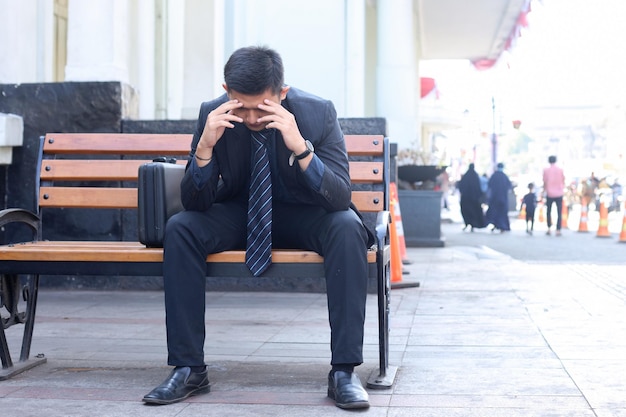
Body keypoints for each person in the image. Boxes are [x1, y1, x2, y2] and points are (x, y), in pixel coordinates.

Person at [142, 46, 373, 410]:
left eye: (260, 107)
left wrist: (301, 148)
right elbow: (195, 202)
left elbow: (339, 197)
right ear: (226, 90)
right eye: (240, 105)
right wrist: (204, 148)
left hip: (304, 213)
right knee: (182, 227)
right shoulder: (212, 113)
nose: (250, 117)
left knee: (346, 226)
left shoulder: (318, 112)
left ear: (281, 93)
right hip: (241, 211)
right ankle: (188, 369)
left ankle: (344, 371)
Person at [456, 163, 486, 231]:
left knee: (466, 211)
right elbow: (478, 187)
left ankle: (468, 223)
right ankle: (472, 225)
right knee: (474, 211)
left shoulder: (466, 176)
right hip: (474, 199)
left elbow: (461, 186)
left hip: (466, 198)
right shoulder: (475, 176)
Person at [485, 162, 512, 232]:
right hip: (503, 198)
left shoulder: (494, 176)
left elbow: (489, 185)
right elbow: (509, 186)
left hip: (494, 198)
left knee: (495, 212)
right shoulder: (504, 176)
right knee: (502, 213)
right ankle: (502, 226)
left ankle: (496, 225)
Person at [542, 155, 565, 236]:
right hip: (559, 193)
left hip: (549, 193)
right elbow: (563, 180)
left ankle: (549, 228)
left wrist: (543, 192)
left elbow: (544, 182)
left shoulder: (546, 170)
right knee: (559, 212)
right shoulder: (560, 170)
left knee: (549, 211)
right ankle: (558, 230)